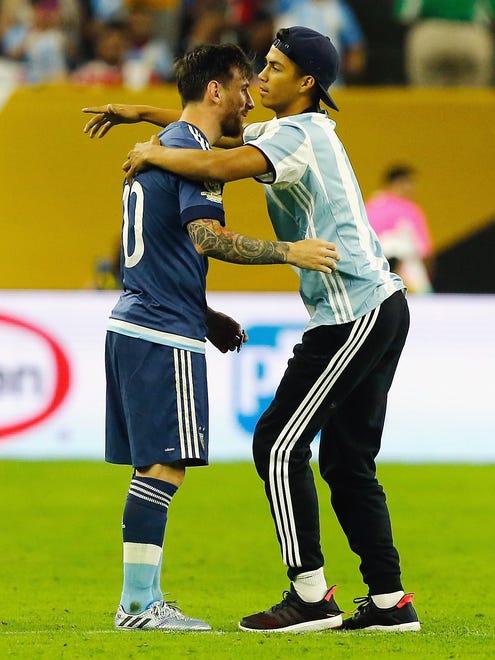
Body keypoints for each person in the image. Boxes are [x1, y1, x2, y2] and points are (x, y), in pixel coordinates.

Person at [83, 26, 420, 633]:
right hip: (377, 305)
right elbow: (217, 126)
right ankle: (391, 601)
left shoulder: (296, 135)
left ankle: (311, 595)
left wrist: (154, 149)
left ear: (306, 82)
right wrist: (145, 114)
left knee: (277, 444)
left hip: (354, 312)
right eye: (256, 70)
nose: (259, 79)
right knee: (346, 462)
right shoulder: (290, 129)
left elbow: (218, 155)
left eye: (272, 67)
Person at [366, 164, 435, 293]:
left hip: (374, 283)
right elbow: (425, 251)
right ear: (397, 183)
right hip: (411, 279)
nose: (413, 188)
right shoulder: (409, 209)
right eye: (409, 182)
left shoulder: (367, 207)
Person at [394, 0, 495, 87]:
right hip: (471, 33)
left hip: (431, 34)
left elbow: (404, 14)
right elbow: (491, 13)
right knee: (473, 102)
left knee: (428, 101)